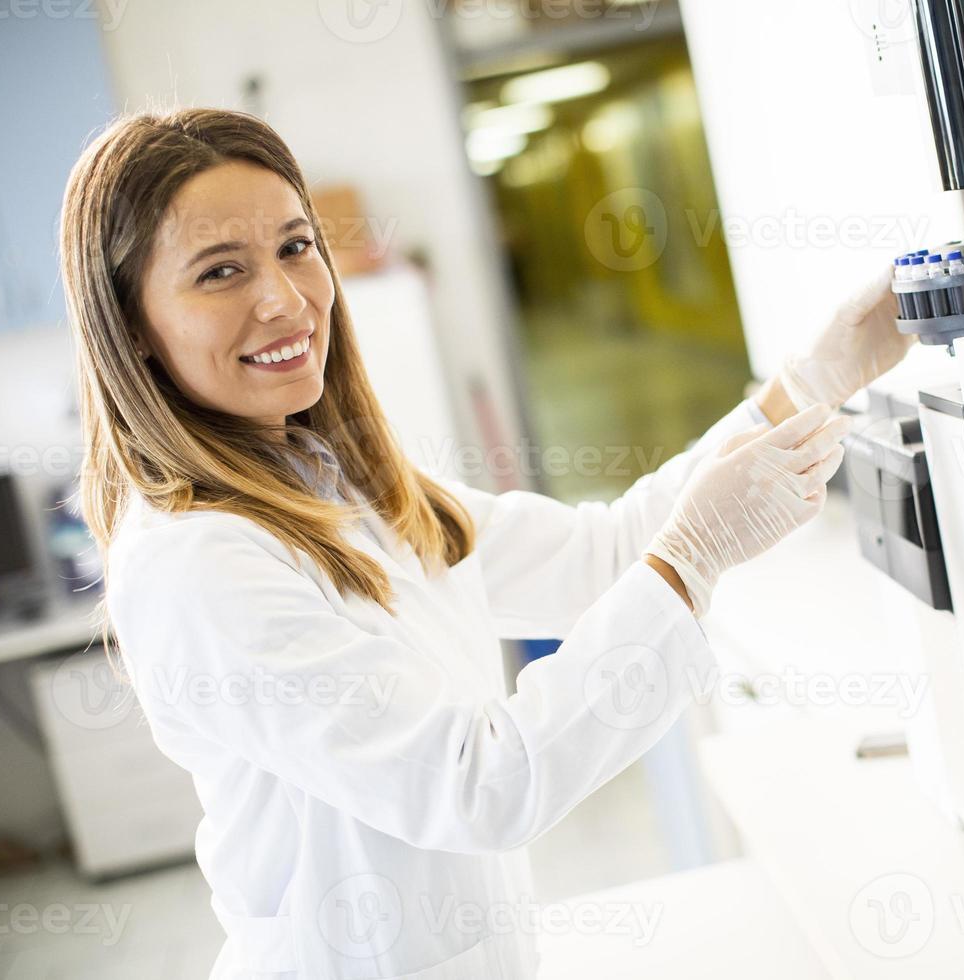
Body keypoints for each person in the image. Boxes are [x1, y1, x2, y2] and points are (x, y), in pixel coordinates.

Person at [61, 108, 912, 979]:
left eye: (294, 245)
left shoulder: (330, 479)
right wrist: (693, 557)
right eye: (219, 272)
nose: (283, 298)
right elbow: (478, 786)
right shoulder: (196, 562)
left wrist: (813, 380)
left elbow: (600, 554)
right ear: (132, 331)